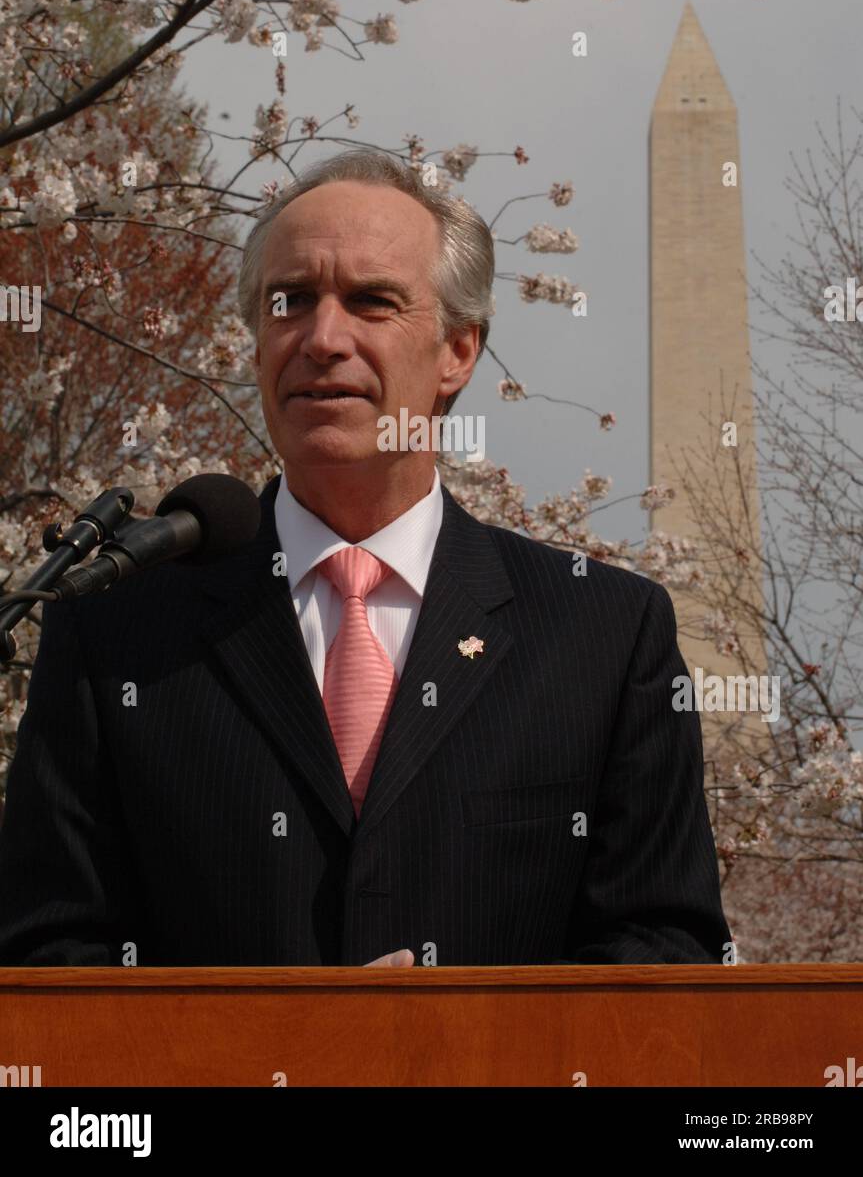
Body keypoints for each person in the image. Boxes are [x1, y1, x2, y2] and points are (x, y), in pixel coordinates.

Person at [0, 149, 730, 966]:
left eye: (371, 302)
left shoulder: (601, 635)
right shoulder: (117, 627)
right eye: (291, 302)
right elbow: (48, 954)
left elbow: (663, 952)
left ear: (457, 351)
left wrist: (447, 1048)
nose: (322, 338)